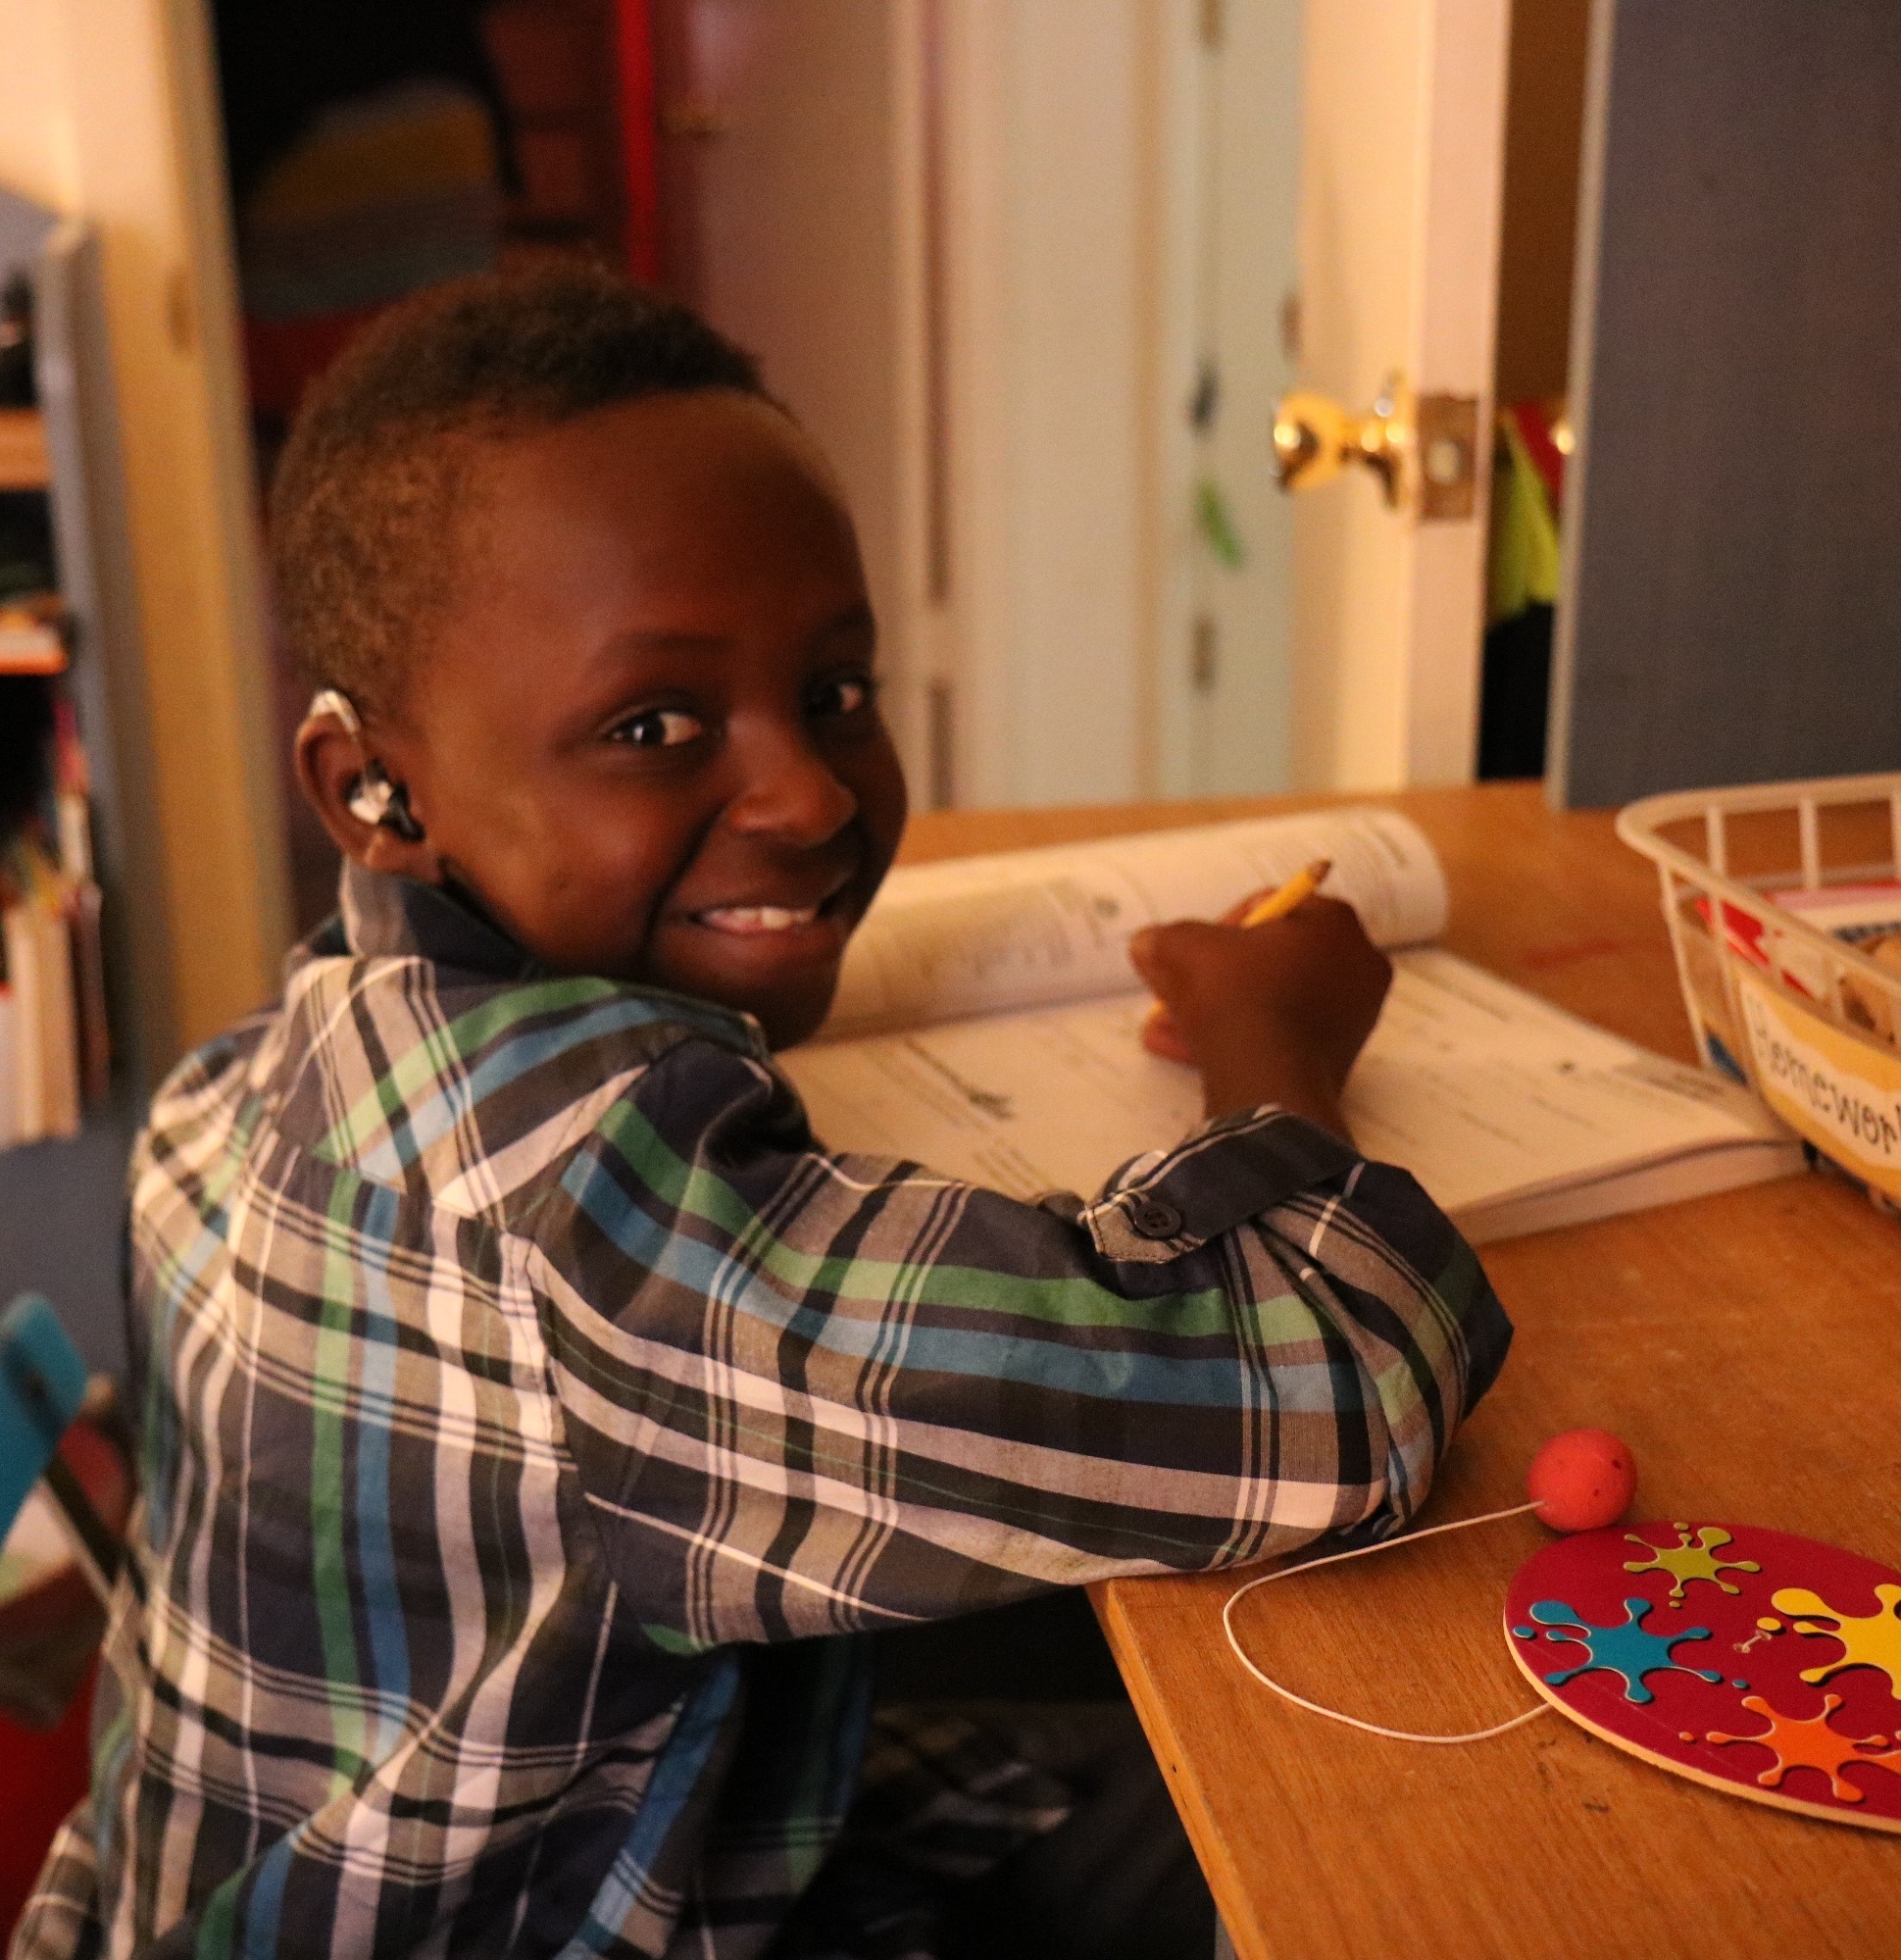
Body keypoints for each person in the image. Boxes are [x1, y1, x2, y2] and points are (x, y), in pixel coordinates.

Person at [13, 264, 1510, 1960]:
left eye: (836, 691)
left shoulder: (248, 1073)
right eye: (651, 725)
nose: (805, 791)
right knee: (1403, 1848)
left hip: (336, 1872)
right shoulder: (601, 1223)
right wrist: (1276, 1049)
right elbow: (1328, 1402)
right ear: (373, 787)